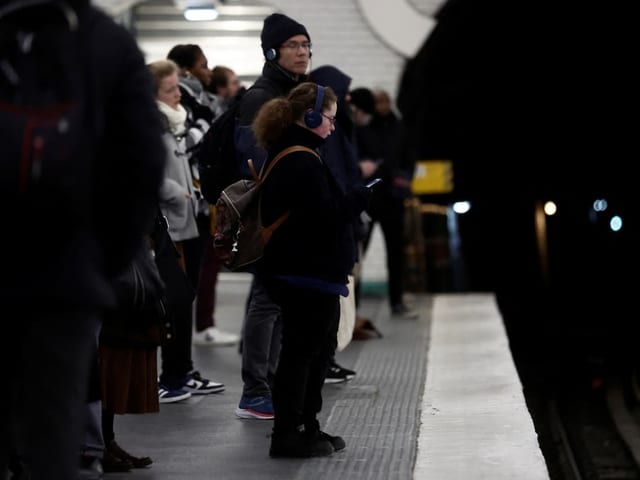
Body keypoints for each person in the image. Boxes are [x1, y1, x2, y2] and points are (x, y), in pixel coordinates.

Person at [0, 1, 166, 479]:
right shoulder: (105, 41)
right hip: (65, 276)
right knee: (54, 432)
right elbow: (141, 166)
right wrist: (99, 261)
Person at [253, 82, 370, 458]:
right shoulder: (299, 159)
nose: (333, 127)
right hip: (305, 274)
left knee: (314, 352)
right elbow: (324, 217)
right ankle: (290, 433)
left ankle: (307, 427)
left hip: (308, 273)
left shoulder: (294, 153)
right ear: (312, 116)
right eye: (330, 119)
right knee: (303, 354)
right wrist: (359, 199)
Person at [234, 13, 312, 420]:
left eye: (306, 45)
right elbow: (252, 161)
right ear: (272, 50)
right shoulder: (261, 95)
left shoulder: (298, 92)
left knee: (280, 301)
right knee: (266, 301)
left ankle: (271, 383)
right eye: (294, 45)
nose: (303, 53)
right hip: (270, 216)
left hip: (290, 214)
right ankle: (253, 392)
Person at [149, 59, 225, 402]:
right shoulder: (150, 124)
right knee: (176, 301)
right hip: (168, 224)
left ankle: (183, 370)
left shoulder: (179, 123)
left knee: (187, 296)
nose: (178, 94)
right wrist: (173, 192)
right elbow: (144, 171)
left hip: (190, 219)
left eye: (177, 87)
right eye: (170, 89)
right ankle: (171, 376)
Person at [309, 65, 363, 383]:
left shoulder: (338, 127)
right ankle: (323, 361)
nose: (349, 98)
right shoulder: (328, 134)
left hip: (343, 215)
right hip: (335, 220)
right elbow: (338, 173)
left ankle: (327, 359)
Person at [349, 87, 418, 318]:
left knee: (396, 252)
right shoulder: (362, 129)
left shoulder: (400, 129)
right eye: (378, 102)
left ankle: (396, 301)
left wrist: (403, 182)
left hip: (393, 198)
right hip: (368, 199)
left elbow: (409, 158)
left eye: (385, 101)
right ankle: (354, 306)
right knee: (359, 253)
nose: (382, 106)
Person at [191, 63, 242, 347]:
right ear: (222, 88)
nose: (238, 88)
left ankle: (203, 323)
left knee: (209, 263)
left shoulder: (219, 113)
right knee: (208, 264)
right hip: (203, 199)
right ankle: (203, 325)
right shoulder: (211, 116)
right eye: (233, 83)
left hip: (209, 197)